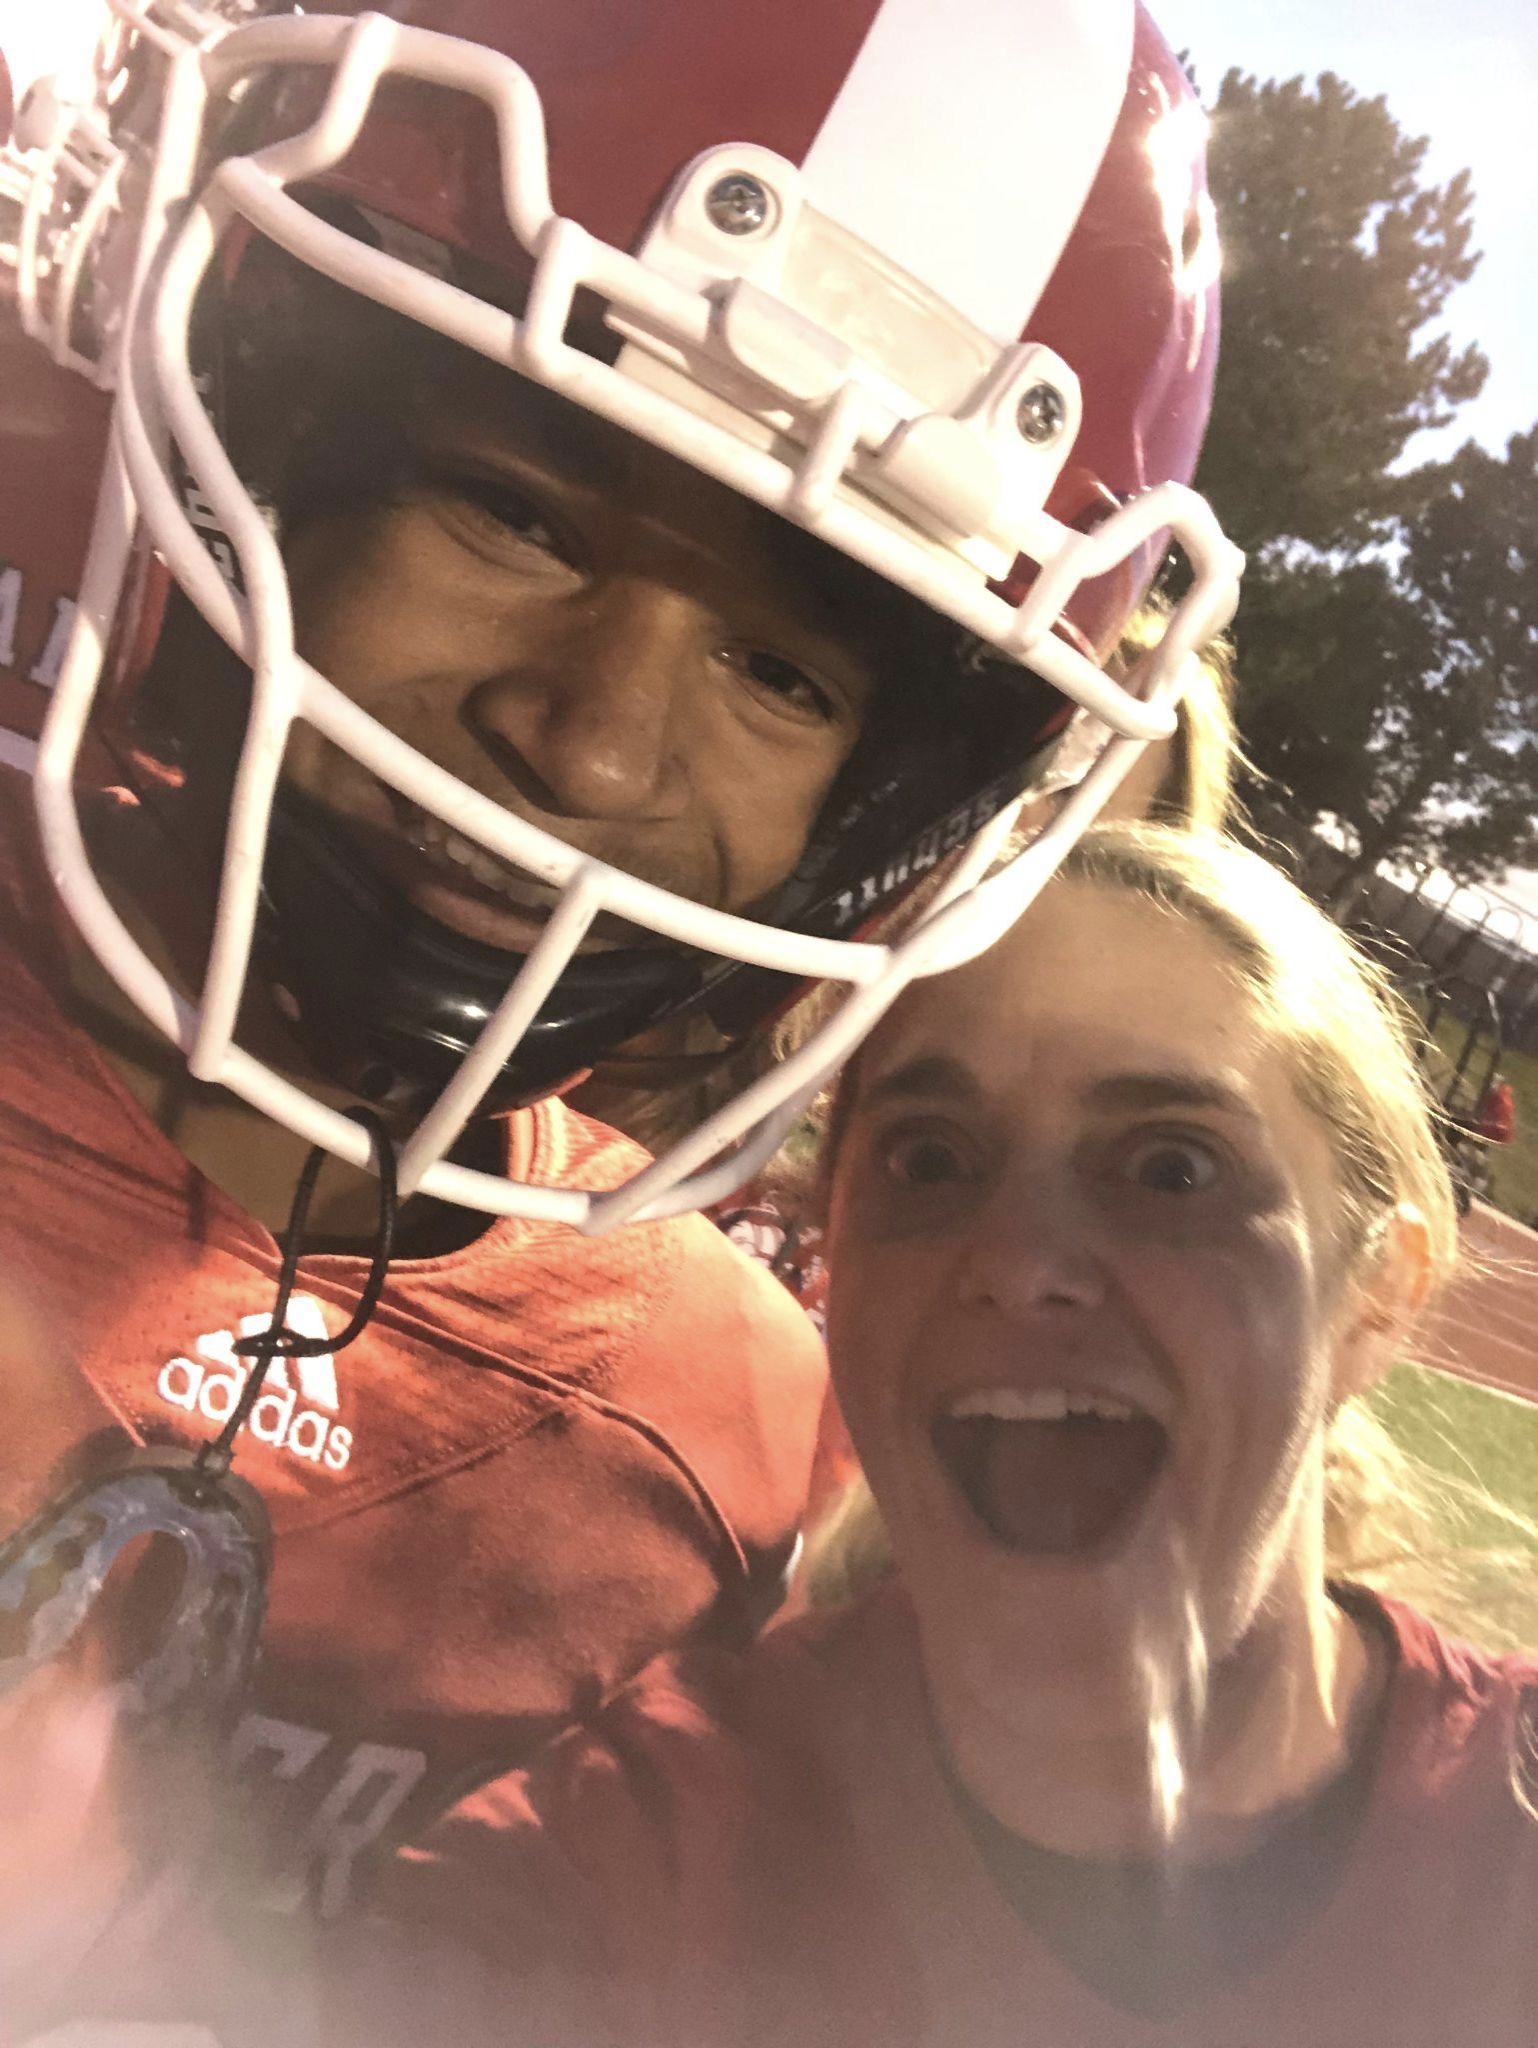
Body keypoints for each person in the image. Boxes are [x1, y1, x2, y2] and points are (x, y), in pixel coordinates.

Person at [0, 0, 1240, 1912]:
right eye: (515, 514)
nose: (590, 747)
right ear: (264, 425)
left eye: (779, 672)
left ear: (889, 811)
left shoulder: (747, 1444)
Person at [8, 821, 1537, 2046]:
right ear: (834, 1256)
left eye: (1171, 1167)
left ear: (1376, 1293)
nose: (1018, 1257)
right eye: (929, 1157)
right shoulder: (627, 1863)